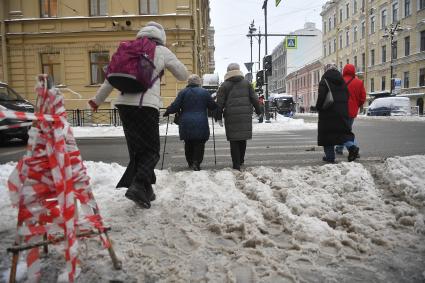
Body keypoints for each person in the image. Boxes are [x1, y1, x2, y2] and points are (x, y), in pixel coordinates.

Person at [89, 21, 188, 208]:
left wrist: (97, 101)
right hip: (146, 106)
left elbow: (110, 80)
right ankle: (136, 186)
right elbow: (182, 75)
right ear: (161, 36)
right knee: (151, 151)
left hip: (124, 106)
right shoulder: (161, 50)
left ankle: (146, 190)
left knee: (138, 151)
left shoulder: (129, 49)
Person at [163, 74, 217, 171]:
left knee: (188, 142)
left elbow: (175, 106)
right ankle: (197, 162)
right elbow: (212, 106)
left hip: (186, 122)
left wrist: (168, 111)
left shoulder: (183, 92)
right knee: (199, 143)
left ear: (189, 82)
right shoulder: (204, 92)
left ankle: (190, 162)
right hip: (201, 121)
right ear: (199, 82)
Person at [216, 63, 261, 170]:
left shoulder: (224, 85)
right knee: (242, 139)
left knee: (234, 141)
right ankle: (241, 160)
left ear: (228, 72)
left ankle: (236, 164)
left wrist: (218, 116)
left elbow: (220, 103)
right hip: (245, 115)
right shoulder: (247, 83)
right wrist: (259, 111)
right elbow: (254, 99)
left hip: (231, 116)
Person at [316, 63, 359, 163]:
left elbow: (321, 96)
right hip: (342, 112)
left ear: (326, 70)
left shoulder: (324, 80)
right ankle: (352, 147)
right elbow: (347, 95)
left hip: (327, 112)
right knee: (342, 133)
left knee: (327, 134)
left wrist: (318, 107)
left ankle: (330, 157)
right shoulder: (342, 81)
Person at [335, 63, 366, 156]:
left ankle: (353, 148)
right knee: (346, 130)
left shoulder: (339, 81)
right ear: (353, 71)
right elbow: (362, 98)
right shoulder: (359, 82)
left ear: (344, 71)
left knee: (343, 131)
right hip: (352, 111)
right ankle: (339, 148)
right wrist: (356, 105)